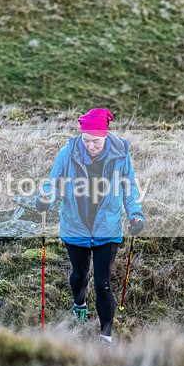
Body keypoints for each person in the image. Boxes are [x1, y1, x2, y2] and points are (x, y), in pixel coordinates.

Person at [35, 108, 145, 343]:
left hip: (108, 227)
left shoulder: (120, 155)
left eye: (95, 141)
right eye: (86, 140)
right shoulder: (68, 152)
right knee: (79, 276)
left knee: (103, 284)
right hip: (75, 226)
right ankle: (79, 304)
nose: (90, 146)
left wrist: (135, 215)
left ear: (105, 136)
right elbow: (53, 182)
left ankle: (106, 339)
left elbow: (129, 189)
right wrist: (46, 199)